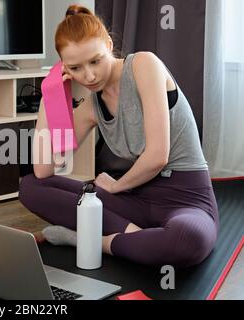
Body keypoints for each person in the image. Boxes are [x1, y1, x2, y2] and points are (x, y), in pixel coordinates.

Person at [19, 5, 219, 268]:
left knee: (186, 240)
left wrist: (115, 186)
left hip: (185, 198)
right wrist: (50, 93)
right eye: (75, 68)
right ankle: (137, 238)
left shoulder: (144, 65)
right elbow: (44, 171)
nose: (88, 76)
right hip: (133, 200)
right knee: (31, 187)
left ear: (110, 45)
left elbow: (158, 156)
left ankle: (89, 240)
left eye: (95, 61)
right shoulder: (93, 106)